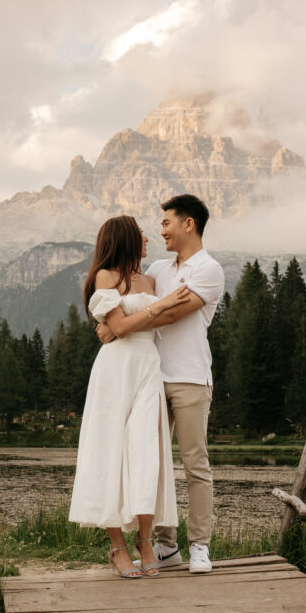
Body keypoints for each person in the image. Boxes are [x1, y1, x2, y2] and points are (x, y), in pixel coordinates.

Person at [96, 194, 225, 573]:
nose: (161, 230)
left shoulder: (209, 270)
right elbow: (131, 310)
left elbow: (173, 315)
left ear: (189, 224)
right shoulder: (158, 270)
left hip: (189, 377)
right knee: (150, 464)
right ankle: (166, 546)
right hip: (148, 377)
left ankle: (199, 544)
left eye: (167, 222)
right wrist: (112, 324)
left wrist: (116, 325)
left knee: (194, 463)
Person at [68, 215, 190, 578]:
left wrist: (119, 324)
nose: (147, 240)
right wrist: (153, 308)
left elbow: (138, 325)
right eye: (140, 235)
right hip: (115, 371)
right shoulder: (105, 277)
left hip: (147, 365)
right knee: (110, 450)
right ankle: (118, 548)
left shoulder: (148, 280)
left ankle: (146, 541)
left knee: (147, 451)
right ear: (123, 238)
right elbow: (121, 327)